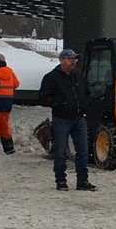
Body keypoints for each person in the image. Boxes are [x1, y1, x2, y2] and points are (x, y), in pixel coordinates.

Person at [39, 48, 97, 192]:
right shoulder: (51, 78)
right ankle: (61, 181)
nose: (74, 62)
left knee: (83, 151)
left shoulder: (78, 76)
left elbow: (86, 93)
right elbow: (43, 98)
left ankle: (82, 181)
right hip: (61, 119)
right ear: (61, 60)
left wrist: (86, 105)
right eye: (70, 59)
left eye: (75, 59)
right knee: (60, 152)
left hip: (79, 119)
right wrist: (60, 103)